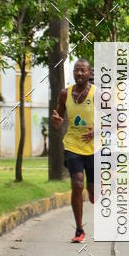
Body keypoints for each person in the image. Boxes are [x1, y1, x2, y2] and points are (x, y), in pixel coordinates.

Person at [51, 59, 95, 243]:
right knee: (77, 184)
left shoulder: (99, 94)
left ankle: (93, 191)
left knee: (93, 189)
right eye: (76, 70)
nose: (79, 74)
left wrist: (98, 130)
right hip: (72, 145)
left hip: (95, 148)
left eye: (83, 71)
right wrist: (56, 121)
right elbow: (57, 116)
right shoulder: (65, 93)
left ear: (89, 73)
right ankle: (79, 229)